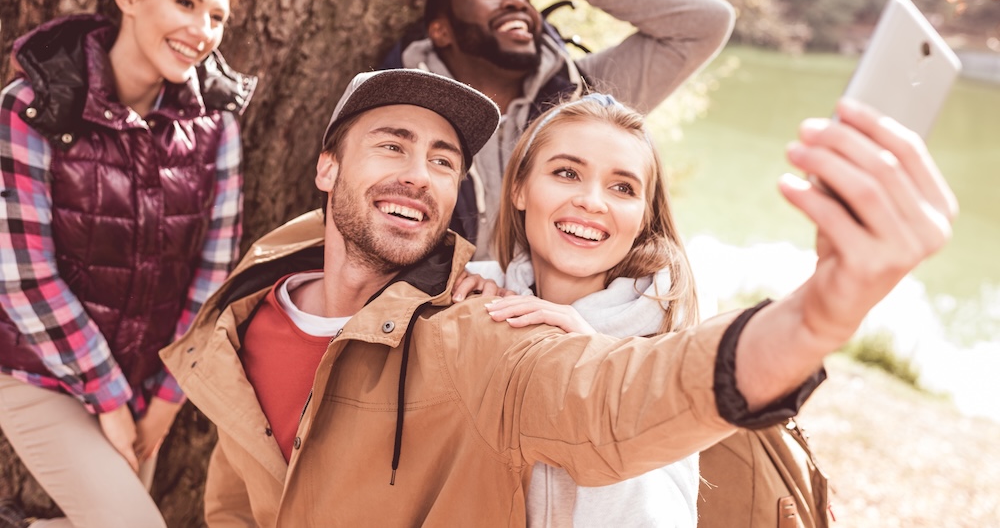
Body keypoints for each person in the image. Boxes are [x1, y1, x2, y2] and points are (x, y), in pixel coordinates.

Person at [160, 68, 955, 527]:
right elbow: (243, 485)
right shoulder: (252, 307)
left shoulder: (475, 329)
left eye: (443, 159)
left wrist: (822, 310)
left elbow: (619, 397)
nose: (419, 171)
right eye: (392, 145)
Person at [0, 0, 256, 528]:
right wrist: (108, 398)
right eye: (185, 3)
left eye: (216, 16)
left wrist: (167, 399)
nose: (202, 30)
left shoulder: (215, 129)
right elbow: (22, 278)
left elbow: (214, 273)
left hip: (147, 382)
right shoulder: (32, 108)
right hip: (36, 372)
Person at [402, 0, 735, 257]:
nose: (516, 1)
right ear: (441, 31)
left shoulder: (589, 97)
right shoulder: (399, 109)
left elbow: (706, 21)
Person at [464, 93, 702, 526]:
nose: (593, 202)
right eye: (567, 173)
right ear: (519, 188)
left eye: (622, 187)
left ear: (643, 217)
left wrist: (594, 371)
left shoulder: (666, 346)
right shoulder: (469, 295)